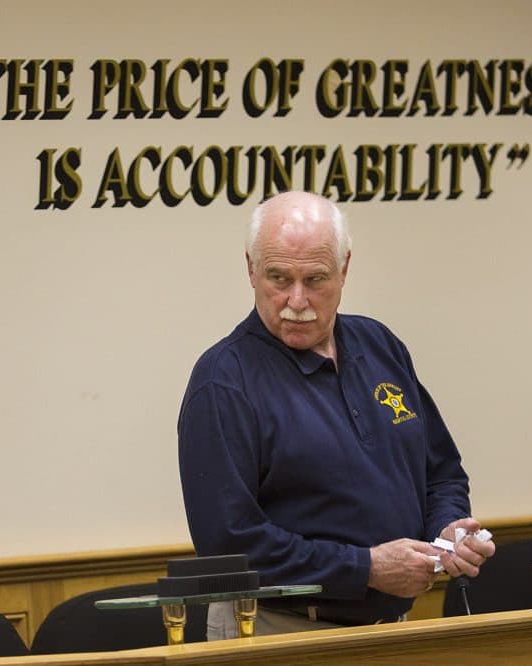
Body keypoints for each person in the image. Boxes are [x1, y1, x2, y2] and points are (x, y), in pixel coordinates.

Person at [177, 191, 495, 638]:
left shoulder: (380, 346)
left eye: (316, 278)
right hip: (279, 629)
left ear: (345, 268)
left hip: (392, 628)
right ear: (250, 269)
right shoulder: (223, 381)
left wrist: (448, 533)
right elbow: (228, 544)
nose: (297, 300)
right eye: (278, 277)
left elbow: (440, 473)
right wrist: (364, 567)